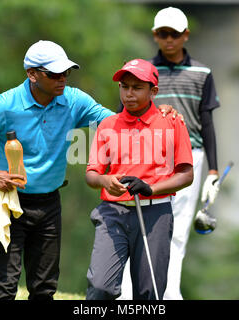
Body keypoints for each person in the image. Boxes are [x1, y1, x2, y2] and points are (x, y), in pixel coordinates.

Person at [0, 40, 178, 300]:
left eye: (66, 73)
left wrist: (158, 111)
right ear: (32, 74)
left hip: (49, 205)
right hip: (8, 203)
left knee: (44, 289)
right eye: (54, 74)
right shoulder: (6, 104)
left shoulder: (73, 100)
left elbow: (116, 122)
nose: (62, 79)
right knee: (4, 288)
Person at [119, 7, 222, 300]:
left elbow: (207, 123)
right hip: (146, 155)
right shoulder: (143, 72)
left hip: (189, 158)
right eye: (163, 34)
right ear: (155, 36)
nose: (169, 40)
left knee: (175, 230)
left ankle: (169, 293)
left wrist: (212, 172)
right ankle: (128, 294)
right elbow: (124, 112)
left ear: (185, 35)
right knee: (137, 223)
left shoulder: (202, 73)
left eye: (174, 34)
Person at [85, 58, 194, 300]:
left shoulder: (172, 122)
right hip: (112, 213)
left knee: (149, 293)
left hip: (155, 214)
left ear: (153, 91)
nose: (129, 94)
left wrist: (150, 189)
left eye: (137, 87)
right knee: (100, 288)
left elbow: (186, 175)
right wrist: (106, 181)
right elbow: (92, 174)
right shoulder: (108, 125)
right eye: (124, 87)